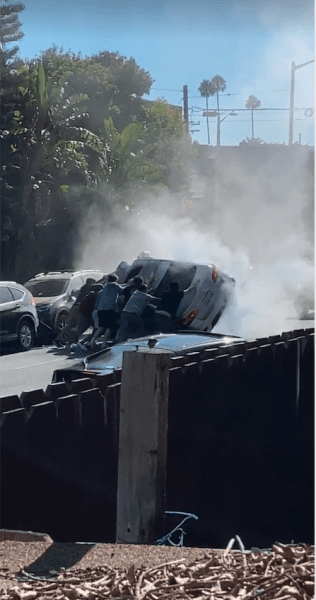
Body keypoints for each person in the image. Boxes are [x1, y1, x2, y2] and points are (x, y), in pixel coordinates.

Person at [86, 273, 124, 349]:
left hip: (100, 310)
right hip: (110, 309)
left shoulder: (104, 288)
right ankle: (104, 343)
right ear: (116, 280)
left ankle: (92, 341)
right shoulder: (116, 286)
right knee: (109, 327)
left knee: (101, 327)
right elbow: (123, 291)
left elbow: (98, 300)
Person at [54, 278, 96, 346]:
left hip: (73, 308)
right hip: (80, 309)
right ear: (91, 282)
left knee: (69, 325)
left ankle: (58, 339)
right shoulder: (90, 289)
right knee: (81, 326)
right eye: (94, 282)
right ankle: (73, 342)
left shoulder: (83, 288)